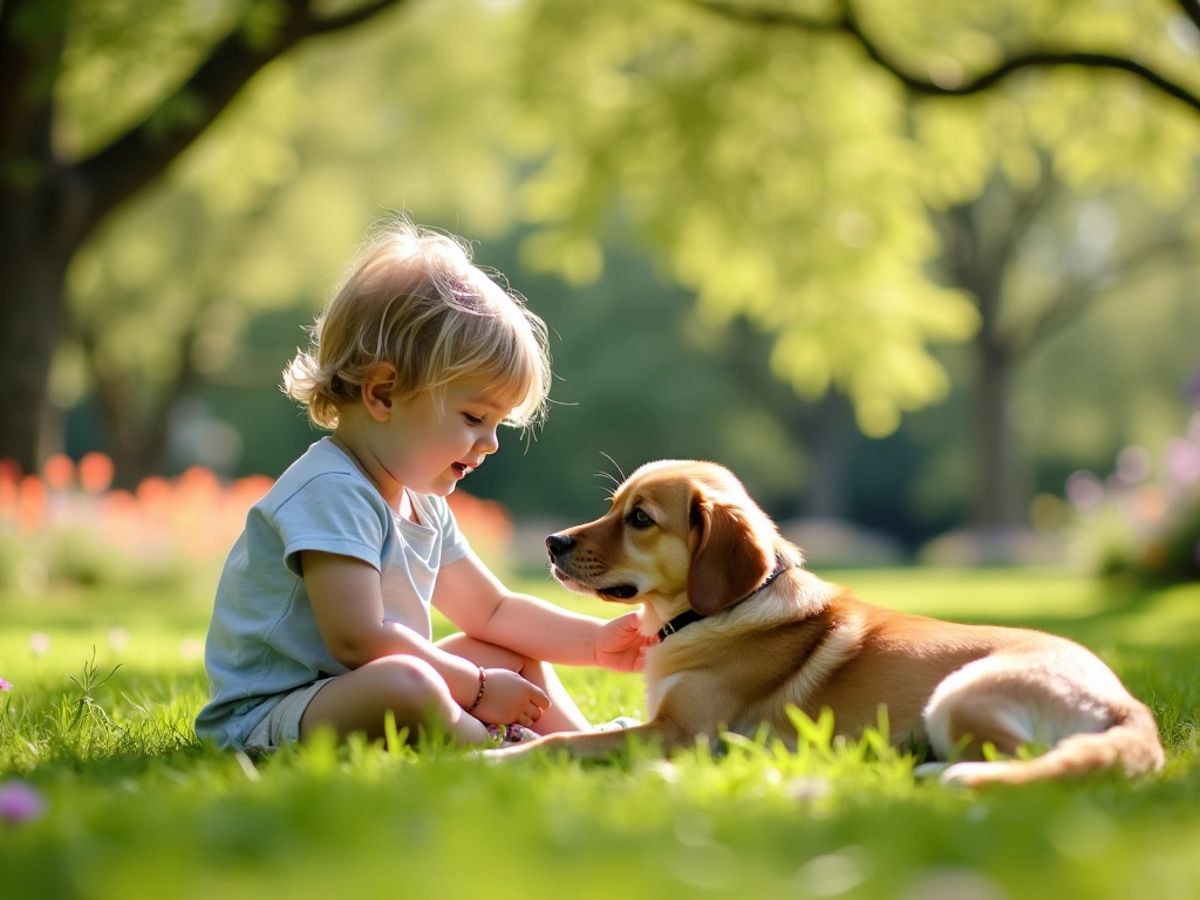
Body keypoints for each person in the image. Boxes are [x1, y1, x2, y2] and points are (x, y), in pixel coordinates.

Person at [195, 217, 654, 752]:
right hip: (275, 712)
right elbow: (358, 640)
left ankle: (582, 746)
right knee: (410, 685)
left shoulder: (422, 506)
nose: (490, 443)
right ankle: (500, 751)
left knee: (508, 653)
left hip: (352, 692)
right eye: (473, 417)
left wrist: (595, 643)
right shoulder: (332, 489)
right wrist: (477, 690)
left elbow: (493, 611)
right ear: (384, 394)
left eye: (497, 425)